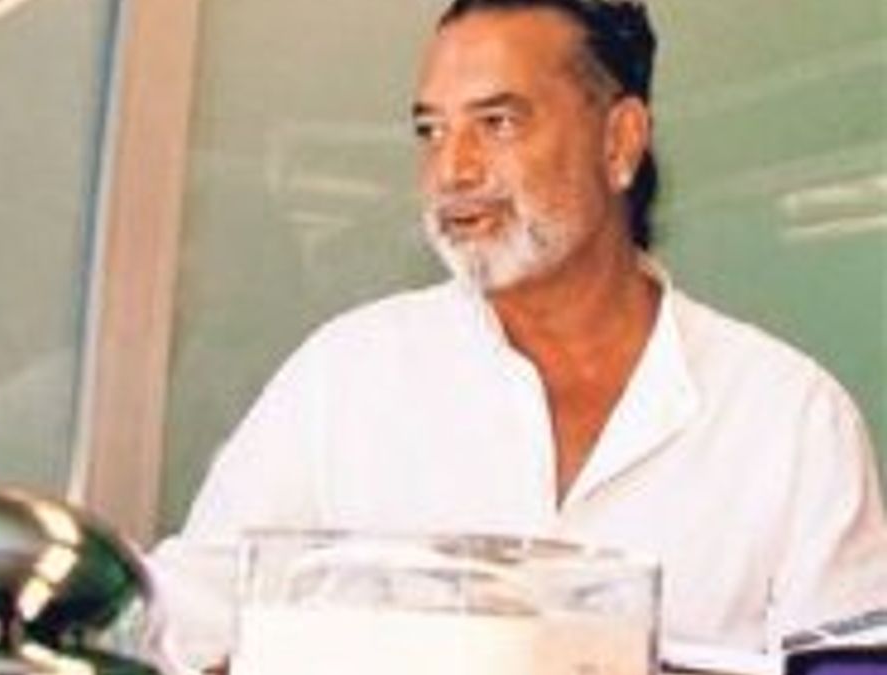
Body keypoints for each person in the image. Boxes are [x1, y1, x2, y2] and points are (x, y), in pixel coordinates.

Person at [150, 0, 887, 669]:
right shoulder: (345, 378)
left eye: (498, 123)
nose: (452, 169)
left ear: (620, 141)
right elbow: (180, 624)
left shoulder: (790, 421)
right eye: (431, 130)